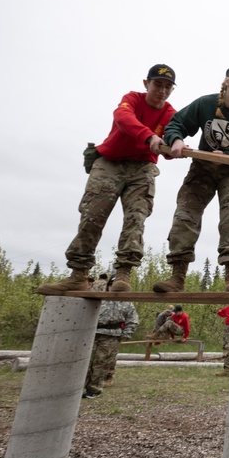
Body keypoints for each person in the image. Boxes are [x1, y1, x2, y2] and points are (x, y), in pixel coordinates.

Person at [38, 64, 178, 294]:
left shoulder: (170, 113)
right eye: (157, 84)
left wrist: (173, 148)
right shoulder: (132, 99)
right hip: (110, 162)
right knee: (92, 215)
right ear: (146, 83)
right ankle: (78, 274)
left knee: (136, 217)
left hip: (143, 167)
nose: (162, 91)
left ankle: (123, 273)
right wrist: (149, 135)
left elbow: (172, 137)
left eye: (168, 87)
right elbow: (122, 118)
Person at [153, 65, 229, 294]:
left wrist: (228, 158)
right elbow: (176, 124)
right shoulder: (205, 104)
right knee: (186, 213)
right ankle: (177, 277)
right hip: (203, 167)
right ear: (227, 81)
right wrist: (175, 139)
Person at [82, 281, 140, 399]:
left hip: (112, 336)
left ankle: (94, 389)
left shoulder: (127, 304)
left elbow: (133, 320)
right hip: (93, 333)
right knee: (86, 361)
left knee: (101, 362)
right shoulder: (100, 299)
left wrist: (126, 334)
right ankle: (79, 386)